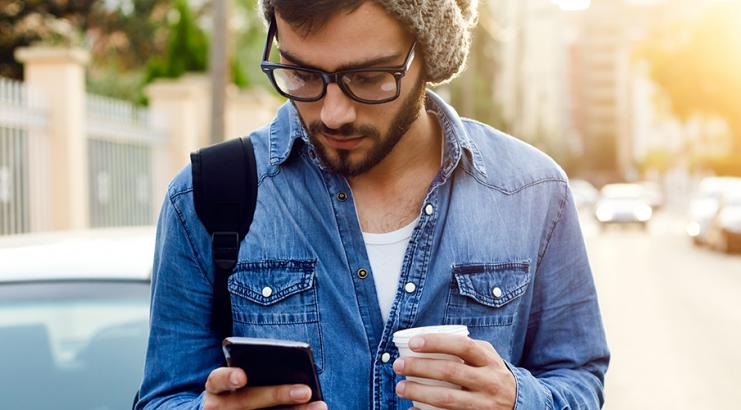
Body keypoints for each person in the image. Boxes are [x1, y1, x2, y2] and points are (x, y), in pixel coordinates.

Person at [136, 0, 610, 409]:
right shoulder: (204, 197)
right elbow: (163, 397)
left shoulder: (533, 192)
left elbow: (579, 381)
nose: (333, 113)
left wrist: (516, 400)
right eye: (301, 73)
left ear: (429, 55)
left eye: (367, 78)